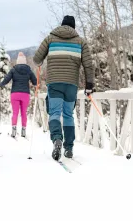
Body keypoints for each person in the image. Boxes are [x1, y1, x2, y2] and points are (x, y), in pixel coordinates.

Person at [33, 15, 95, 160]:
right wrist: (89, 85)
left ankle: (56, 139)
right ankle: (68, 148)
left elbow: (36, 59)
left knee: (54, 112)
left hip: (54, 82)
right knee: (68, 115)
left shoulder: (50, 38)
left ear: (61, 25)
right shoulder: (81, 42)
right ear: (73, 27)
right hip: (71, 84)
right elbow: (88, 65)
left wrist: (42, 60)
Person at [0, 52, 38, 138]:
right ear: (25, 61)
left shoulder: (13, 70)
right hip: (25, 95)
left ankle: (13, 129)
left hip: (15, 94)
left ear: (17, 61)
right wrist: (35, 85)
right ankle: (23, 130)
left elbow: (6, 79)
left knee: (15, 112)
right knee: (24, 113)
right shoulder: (29, 70)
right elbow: (35, 81)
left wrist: (1, 84)